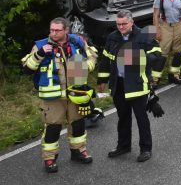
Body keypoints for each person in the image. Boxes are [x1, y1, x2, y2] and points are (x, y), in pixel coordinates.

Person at [22, 17, 96, 173]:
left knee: (78, 124)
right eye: (51, 30)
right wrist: (39, 54)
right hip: (53, 97)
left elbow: (92, 56)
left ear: (66, 30)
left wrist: (85, 68)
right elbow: (27, 68)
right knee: (53, 128)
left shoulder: (77, 42)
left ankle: (78, 151)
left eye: (57, 30)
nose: (53, 33)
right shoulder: (41, 45)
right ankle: (50, 158)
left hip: (76, 93)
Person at [99, 10, 162, 162]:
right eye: (118, 24)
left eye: (124, 24)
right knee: (123, 117)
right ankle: (123, 146)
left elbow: (157, 55)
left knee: (141, 117)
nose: (120, 27)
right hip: (118, 83)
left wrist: (140, 57)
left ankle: (146, 149)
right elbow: (105, 59)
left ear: (131, 22)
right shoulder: (112, 37)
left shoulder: (143, 35)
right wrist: (102, 79)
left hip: (137, 83)